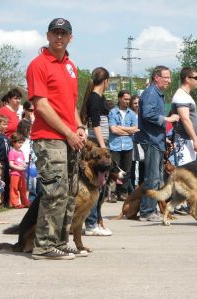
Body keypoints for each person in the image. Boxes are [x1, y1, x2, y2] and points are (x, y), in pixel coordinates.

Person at [26, 17, 87, 260]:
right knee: (54, 191)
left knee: (69, 193)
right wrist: (68, 132)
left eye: (64, 33)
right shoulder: (38, 64)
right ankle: (43, 245)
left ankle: (60, 241)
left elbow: (70, 104)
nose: (59, 37)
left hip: (69, 137)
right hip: (49, 138)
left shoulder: (70, 66)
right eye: (55, 33)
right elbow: (41, 105)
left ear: (71, 37)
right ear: (48, 36)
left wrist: (79, 126)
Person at [134, 65, 179, 222]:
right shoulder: (151, 93)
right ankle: (147, 211)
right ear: (156, 78)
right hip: (151, 140)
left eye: (169, 77)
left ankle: (150, 209)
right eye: (166, 77)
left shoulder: (158, 94)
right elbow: (148, 114)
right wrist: (167, 119)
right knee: (152, 177)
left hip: (157, 139)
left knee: (157, 177)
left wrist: (163, 137)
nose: (169, 80)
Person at [79, 66, 112, 236]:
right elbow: (96, 124)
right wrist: (102, 146)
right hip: (97, 145)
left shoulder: (98, 98)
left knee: (100, 186)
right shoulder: (95, 98)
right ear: (106, 81)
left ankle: (96, 222)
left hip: (101, 143)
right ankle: (91, 224)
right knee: (95, 185)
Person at [109, 90, 138, 201]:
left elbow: (135, 129)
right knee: (114, 169)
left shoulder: (131, 113)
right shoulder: (112, 112)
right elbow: (112, 129)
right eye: (125, 99)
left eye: (129, 99)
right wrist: (128, 131)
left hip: (128, 145)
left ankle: (123, 192)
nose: (127, 101)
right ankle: (113, 192)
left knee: (127, 169)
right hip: (115, 145)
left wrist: (119, 128)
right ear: (119, 98)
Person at [171, 67, 197, 166]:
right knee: (185, 173)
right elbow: (185, 119)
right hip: (183, 140)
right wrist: (195, 139)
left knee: (190, 173)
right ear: (187, 79)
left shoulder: (185, 95)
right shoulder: (181, 96)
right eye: (196, 78)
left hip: (188, 140)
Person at [8, 133, 31, 209]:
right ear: (14, 142)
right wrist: (18, 168)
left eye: (22, 143)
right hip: (15, 173)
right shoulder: (12, 152)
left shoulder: (21, 152)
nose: (21, 144)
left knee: (23, 188)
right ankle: (15, 203)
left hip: (22, 173)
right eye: (19, 143)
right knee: (14, 188)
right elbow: (11, 164)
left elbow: (23, 161)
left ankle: (25, 202)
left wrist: (24, 165)